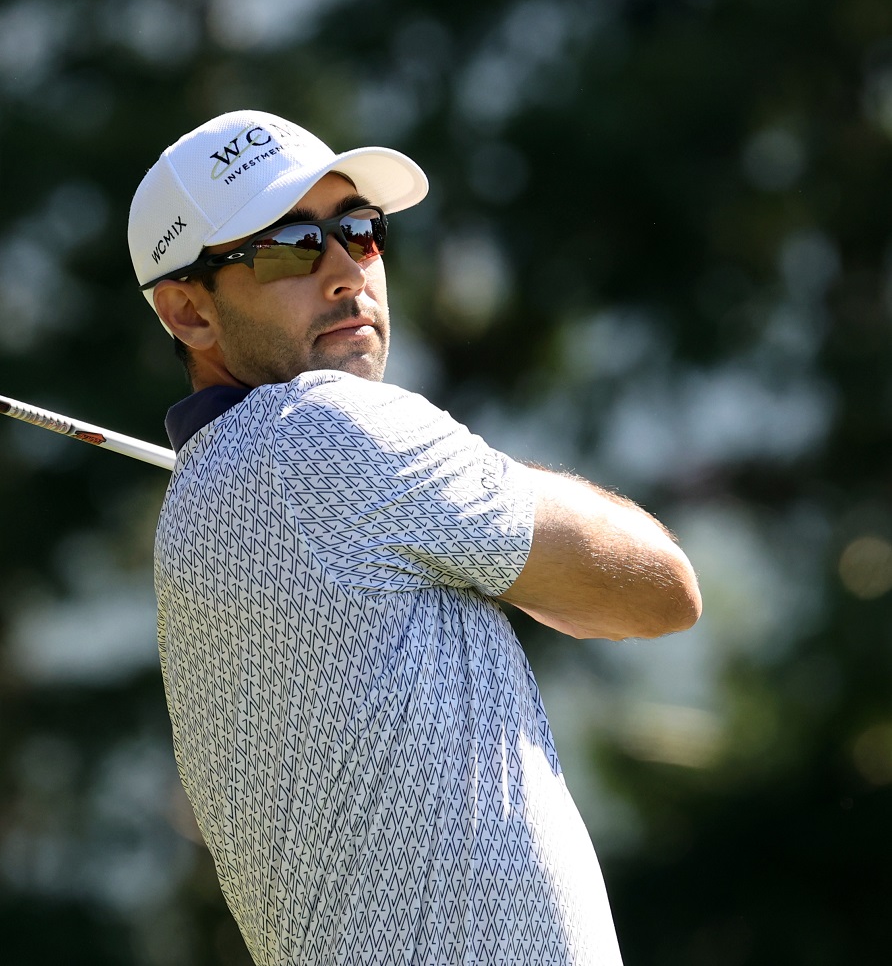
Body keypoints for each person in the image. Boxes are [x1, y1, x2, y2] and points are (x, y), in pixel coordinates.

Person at [126, 110, 702, 965]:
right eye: (288, 246)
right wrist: (465, 489)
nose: (343, 271)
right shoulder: (322, 430)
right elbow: (660, 587)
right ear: (188, 312)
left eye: (359, 233)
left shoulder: (225, 488)